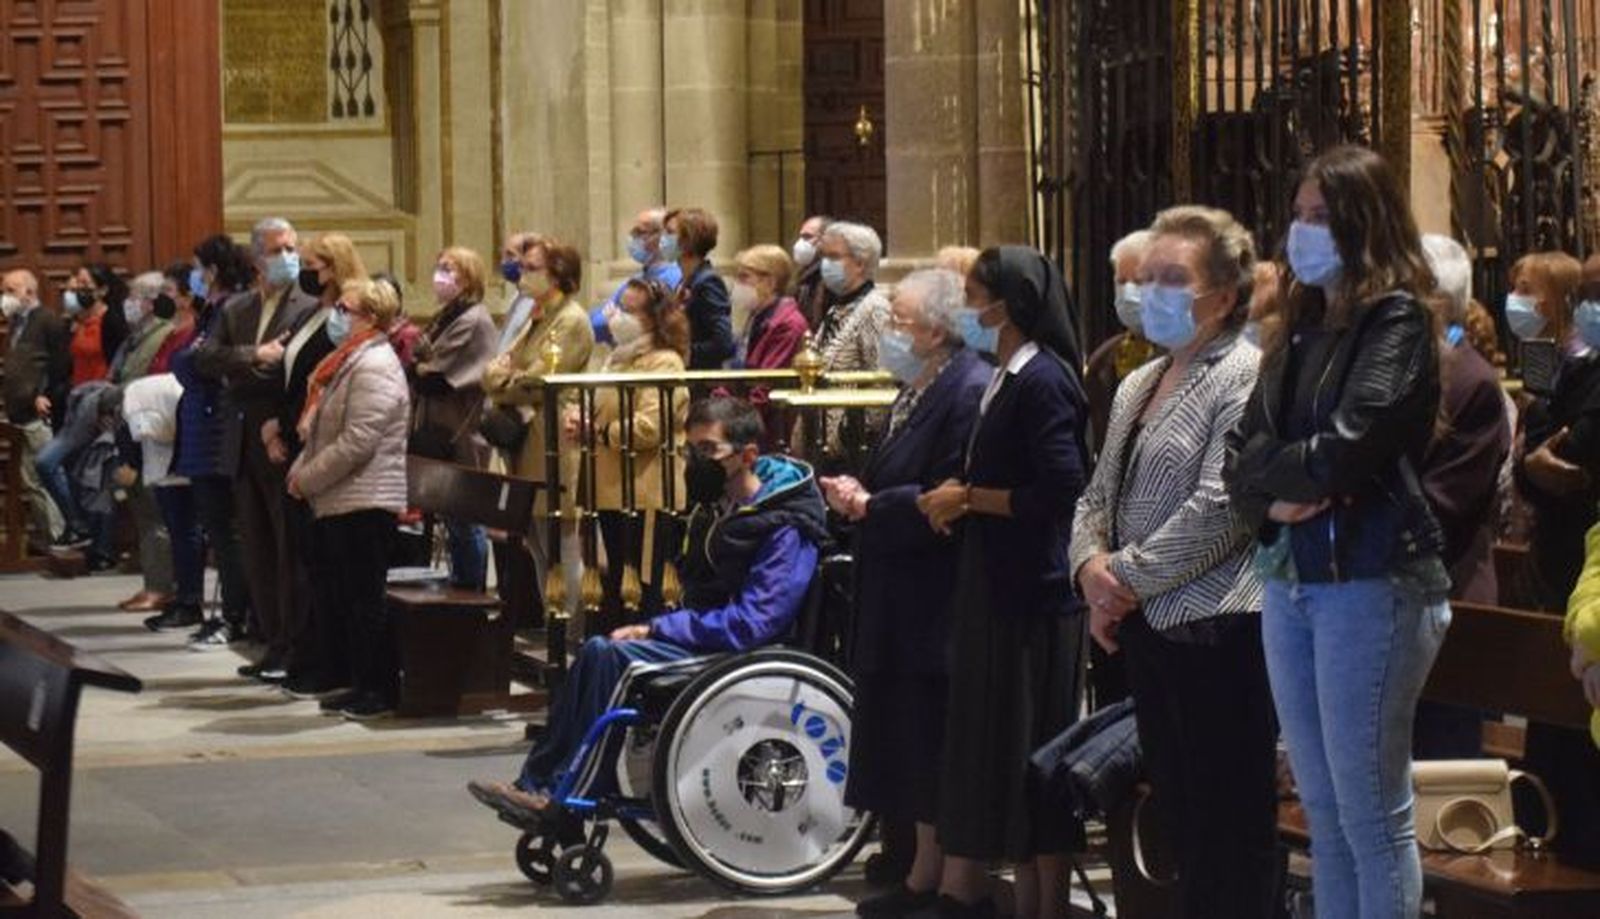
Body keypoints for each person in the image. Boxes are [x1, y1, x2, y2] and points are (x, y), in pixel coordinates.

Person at [1224, 144, 1448, 919]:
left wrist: (1276, 475)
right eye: (1298, 216)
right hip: (1293, 581)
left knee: (1370, 815)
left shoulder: (1397, 322)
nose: (1302, 232)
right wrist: (1277, 494)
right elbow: (1236, 460)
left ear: (1362, 224)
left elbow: (1347, 453)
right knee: (1322, 812)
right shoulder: (1300, 328)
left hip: (1373, 579)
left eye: (1321, 218)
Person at [466, 395, 828, 816]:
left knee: (615, 660)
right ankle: (540, 782)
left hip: (746, 652)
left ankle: (563, 797)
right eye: (691, 450)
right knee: (597, 652)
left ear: (747, 455)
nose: (696, 461)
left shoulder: (785, 525)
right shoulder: (718, 510)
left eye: (709, 451)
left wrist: (660, 629)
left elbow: (756, 622)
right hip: (712, 637)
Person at [1073, 207, 1276, 918]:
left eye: (1172, 278)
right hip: (1150, 628)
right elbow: (1098, 491)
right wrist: (1090, 570)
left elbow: (1223, 508)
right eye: (1145, 276)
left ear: (1222, 295)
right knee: (1181, 816)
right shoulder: (1138, 381)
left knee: (1228, 824)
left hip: (1218, 626)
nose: (1151, 291)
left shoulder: (1244, 373)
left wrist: (1121, 579)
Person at [913, 246, 1091, 919]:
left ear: (1009, 302)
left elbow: (1061, 485)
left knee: (1033, 747)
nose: (968, 306)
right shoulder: (1005, 372)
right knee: (1005, 753)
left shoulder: (1045, 378)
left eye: (974, 293)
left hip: (1034, 592)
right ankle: (1028, 901)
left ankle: (1050, 906)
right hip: (997, 583)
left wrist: (969, 499)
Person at [819, 269, 989, 918]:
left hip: (934, 592)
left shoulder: (966, 389)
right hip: (898, 586)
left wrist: (871, 504)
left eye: (900, 320)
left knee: (935, 736)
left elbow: (951, 489)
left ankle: (955, 882)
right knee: (910, 741)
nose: (890, 331)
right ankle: (922, 870)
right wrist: (858, 499)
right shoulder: (918, 387)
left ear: (939, 329)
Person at [288, 279, 411, 720]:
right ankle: (357, 681)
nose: (336, 315)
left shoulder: (375, 364)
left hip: (366, 496)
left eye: (345, 308)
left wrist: (309, 478)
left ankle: (378, 689)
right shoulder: (351, 360)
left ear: (371, 318)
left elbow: (359, 440)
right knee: (346, 596)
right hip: (344, 495)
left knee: (365, 599)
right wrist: (303, 471)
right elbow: (324, 428)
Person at [195, 218, 317, 658]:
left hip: (278, 436)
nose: (287, 256)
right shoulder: (237, 307)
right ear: (257, 257)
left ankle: (293, 642)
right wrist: (252, 355)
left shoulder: (307, 306)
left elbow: (283, 377)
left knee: (288, 547)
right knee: (255, 546)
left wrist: (241, 373)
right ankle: (269, 638)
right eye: (277, 249)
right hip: (240, 438)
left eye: (292, 247)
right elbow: (204, 359)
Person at [266, 233, 367, 694]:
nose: (306, 272)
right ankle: (304, 655)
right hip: (292, 443)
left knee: (323, 569)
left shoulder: (344, 319)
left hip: (320, 454)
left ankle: (327, 665)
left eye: (312, 265)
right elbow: (291, 374)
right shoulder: (312, 313)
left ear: (335, 266)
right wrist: (272, 425)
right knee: (302, 560)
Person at [483, 234, 595, 619]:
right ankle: (554, 623)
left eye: (532, 269)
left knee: (560, 546)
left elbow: (538, 381)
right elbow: (495, 367)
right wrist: (502, 378)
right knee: (536, 544)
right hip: (525, 444)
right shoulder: (536, 317)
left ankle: (574, 630)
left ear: (558, 274)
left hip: (553, 442)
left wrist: (503, 381)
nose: (523, 276)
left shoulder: (571, 320)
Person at [565, 278, 688, 625]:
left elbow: (652, 425)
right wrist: (578, 416)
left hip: (644, 488)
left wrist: (600, 432)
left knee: (643, 586)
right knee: (617, 580)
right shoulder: (618, 358)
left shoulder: (663, 362)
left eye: (630, 311)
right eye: (620, 308)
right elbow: (596, 403)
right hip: (610, 487)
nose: (619, 317)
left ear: (656, 317)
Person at [152, 235, 257, 638]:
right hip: (202, 427)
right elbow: (191, 360)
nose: (194, 275)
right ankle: (230, 612)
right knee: (219, 528)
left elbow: (201, 364)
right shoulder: (211, 310)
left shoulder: (230, 309)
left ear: (212, 271)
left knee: (226, 531)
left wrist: (195, 363)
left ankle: (236, 616)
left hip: (217, 429)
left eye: (198, 268)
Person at [1513, 250, 1599, 611]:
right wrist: (1529, 467)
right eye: (1586, 296)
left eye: (1524, 290)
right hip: (1561, 557)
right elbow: (1532, 458)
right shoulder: (1540, 354)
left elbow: (1571, 455)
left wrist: (1534, 410)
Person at [412, 246, 499, 591]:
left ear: (469, 277)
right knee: (452, 514)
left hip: (463, 427)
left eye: (451, 269)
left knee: (466, 515)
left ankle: (472, 592)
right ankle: (460, 584)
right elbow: (416, 365)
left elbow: (434, 378)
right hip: (440, 424)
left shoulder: (473, 319)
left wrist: (421, 368)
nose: (441, 275)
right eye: (439, 266)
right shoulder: (446, 314)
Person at [109, 271, 177, 612]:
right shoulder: (136, 336)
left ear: (150, 302)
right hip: (129, 430)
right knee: (142, 510)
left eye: (134, 296)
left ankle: (162, 587)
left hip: (152, 433)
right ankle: (153, 582)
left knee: (155, 513)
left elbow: (146, 383)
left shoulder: (163, 334)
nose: (129, 304)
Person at [1, 269, 69, 548]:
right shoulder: (18, 322)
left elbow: (60, 364)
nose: (4, 296)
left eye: (9, 290)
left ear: (28, 292)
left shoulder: (47, 320)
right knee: (30, 480)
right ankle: (49, 536)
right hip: (19, 413)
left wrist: (44, 395)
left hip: (39, 412)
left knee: (44, 477)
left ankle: (61, 536)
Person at [813, 221, 892, 461]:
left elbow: (881, 379)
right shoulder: (838, 306)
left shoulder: (875, 310)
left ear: (860, 263)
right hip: (823, 440)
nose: (826, 264)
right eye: (824, 256)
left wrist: (853, 435)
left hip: (851, 448)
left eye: (834, 256)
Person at [1084, 230, 1159, 451]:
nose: (1128, 292)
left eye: (1139, 281)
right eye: (1121, 281)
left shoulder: (1189, 356)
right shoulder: (1103, 359)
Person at [730, 244, 808, 449]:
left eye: (744, 277)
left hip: (770, 432)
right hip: (745, 421)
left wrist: (732, 424)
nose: (737, 285)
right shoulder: (756, 316)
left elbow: (766, 384)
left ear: (770, 281)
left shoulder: (788, 324)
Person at [589, 207, 683, 347]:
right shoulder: (640, 277)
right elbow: (595, 320)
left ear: (661, 236)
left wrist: (614, 319)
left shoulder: (672, 278)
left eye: (640, 232)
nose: (633, 238)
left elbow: (612, 325)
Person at [663, 207, 734, 369]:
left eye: (670, 233)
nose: (663, 239)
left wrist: (681, 352)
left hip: (702, 381)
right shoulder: (685, 280)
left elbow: (722, 344)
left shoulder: (708, 282)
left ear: (689, 239)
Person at [63, 263, 129, 388]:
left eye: (84, 283)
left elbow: (119, 363)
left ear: (102, 290)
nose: (78, 288)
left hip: (100, 392)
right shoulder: (77, 322)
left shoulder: (112, 322)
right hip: (78, 392)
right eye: (77, 282)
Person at [150, 262, 202, 375]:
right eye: (161, 290)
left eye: (167, 290)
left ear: (187, 298)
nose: (160, 296)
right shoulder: (167, 330)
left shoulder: (192, 336)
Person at [497, 231, 537, 352]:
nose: (503, 261)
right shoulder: (516, 297)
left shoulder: (537, 301)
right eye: (502, 255)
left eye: (510, 255)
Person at [791, 214, 833, 328]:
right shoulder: (803, 275)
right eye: (801, 237)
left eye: (807, 237)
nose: (800, 243)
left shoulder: (831, 277)